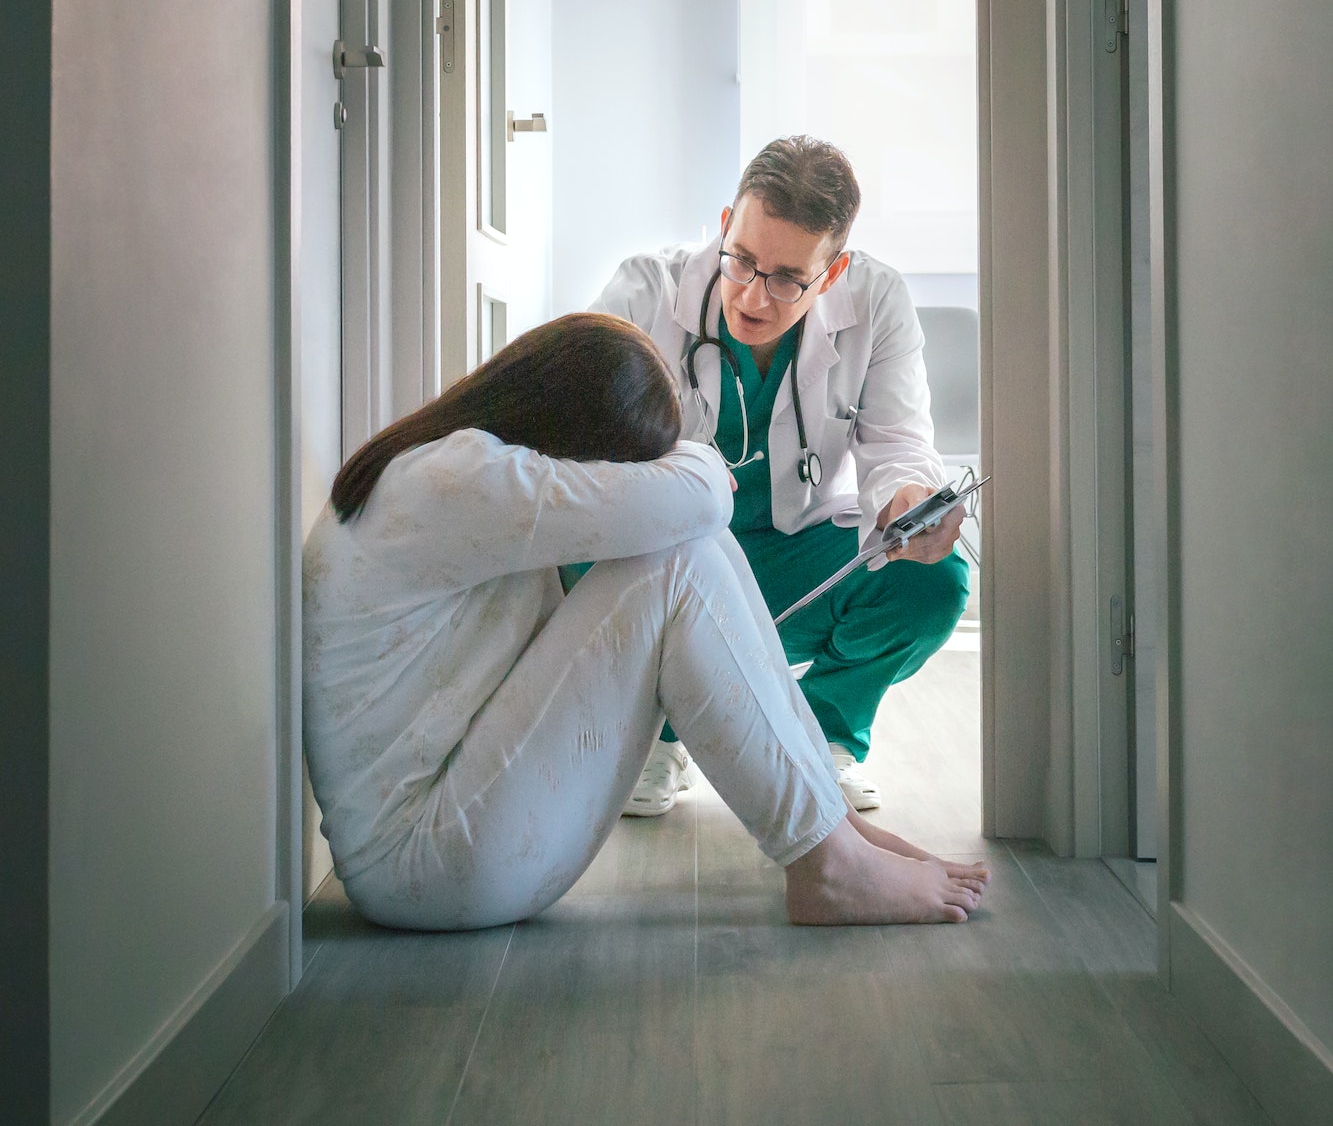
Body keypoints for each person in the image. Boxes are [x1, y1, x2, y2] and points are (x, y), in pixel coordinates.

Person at [303, 311, 988, 932]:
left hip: (443, 836)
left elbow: (689, 512)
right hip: (424, 864)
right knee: (678, 559)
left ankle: (826, 829)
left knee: (689, 548)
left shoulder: (446, 465)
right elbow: (697, 499)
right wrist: (691, 456)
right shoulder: (457, 480)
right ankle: (827, 863)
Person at [594, 136, 969, 818]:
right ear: (722, 227)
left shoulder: (876, 300)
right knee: (573, 554)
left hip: (797, 555)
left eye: (788, 278)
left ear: (832, 272)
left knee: (932, 582)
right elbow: (581, 445)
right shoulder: (644, 290)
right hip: (669, 559)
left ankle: (825, 736)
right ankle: (659, 733)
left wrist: (908, 499)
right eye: (740, 260)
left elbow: (898, 441)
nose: (754, 295)